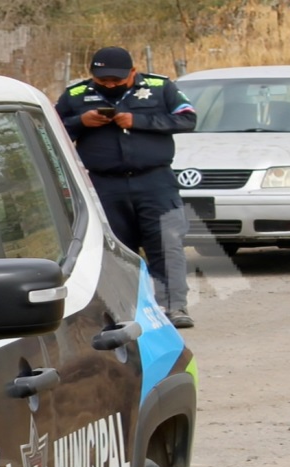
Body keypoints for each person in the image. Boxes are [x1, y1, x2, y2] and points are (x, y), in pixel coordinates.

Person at [56, 46, 199, 329]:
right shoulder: (75, 95)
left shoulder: (160, 87)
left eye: (116, 80)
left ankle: (174, 307)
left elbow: (187, 119)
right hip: (104, 184)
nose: (110, 85)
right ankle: (128, 310)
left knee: (165, 244)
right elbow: (52, 129)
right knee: (117, 250)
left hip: (155, 181)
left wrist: (139, 121)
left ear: (133, 73)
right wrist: (80, 122)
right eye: (103, 80)